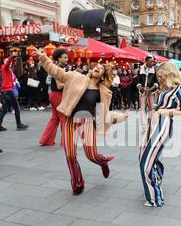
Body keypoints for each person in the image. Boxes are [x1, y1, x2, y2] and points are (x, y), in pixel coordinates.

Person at [32, 47, 131, 195]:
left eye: (101, 68)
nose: (97, 67)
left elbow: (104, 114)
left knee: (91, 155)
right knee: (70, 155)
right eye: (96, 66)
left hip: (88, 123)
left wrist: (123, 117)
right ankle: (78, 182)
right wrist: (43, 58)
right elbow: (56, 72)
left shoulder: (102, 92)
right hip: (71, 121)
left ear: (104, 75)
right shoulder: (75, 77)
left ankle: (102, 161)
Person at [139, 62, 181, 207]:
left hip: (163, 126)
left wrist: (164, 111)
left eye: (161, 75)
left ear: (168, 73)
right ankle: (157, 175)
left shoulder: (179, 88)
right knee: (143, 158)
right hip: (153, 125)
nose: (159, 78)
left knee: (146, 162)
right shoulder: (164, 89)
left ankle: (155, 198)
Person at [39, 48, 69, 146]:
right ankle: (65, 142)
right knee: (64, 118)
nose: (66, 59)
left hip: (54, 95)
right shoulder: (58, 69)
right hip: (57, 95)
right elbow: (60, 85)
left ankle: (46, 140)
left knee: (55, 118)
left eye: (67, 57)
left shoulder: (59, 68)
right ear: (59, 59)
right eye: (64, 58)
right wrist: (72, 82)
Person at [0, 49, 28, 132]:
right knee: (17, 108)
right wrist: (12, 56)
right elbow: (7, 64)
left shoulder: (7, 70)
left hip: (5, 90)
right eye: (9, 62)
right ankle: (19, 124)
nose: (10, 63)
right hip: (8, 90)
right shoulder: (5, 68)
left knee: (4, 109)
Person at [137, 55, 159, 132]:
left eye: (153, 61)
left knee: (151, 108)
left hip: (151, 92)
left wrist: (151, 88)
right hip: (142, 92)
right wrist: (141, 87)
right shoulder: (140, 69)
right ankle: (144, 127)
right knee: (142, 109)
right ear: (146, 61)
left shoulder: (154, 70)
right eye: (151, 61)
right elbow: (138, 82)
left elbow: (156, 82)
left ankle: (150, 126)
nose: (152, 63)